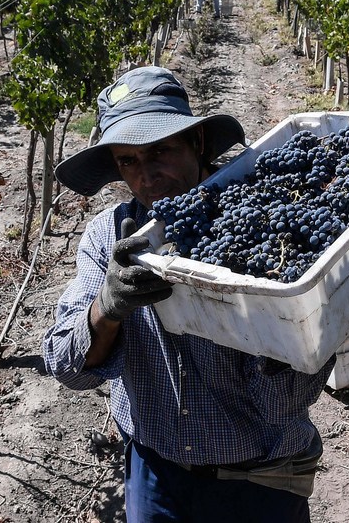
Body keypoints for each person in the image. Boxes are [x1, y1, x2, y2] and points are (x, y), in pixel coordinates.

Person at [43, 66, 334, 523]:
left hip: (259, 480)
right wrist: (108, 306)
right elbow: (67, 367)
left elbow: (284, 403)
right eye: (128, 161)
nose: (147, 176)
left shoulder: (260, 228)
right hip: (156, 474)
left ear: (197, 143)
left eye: (161, 151)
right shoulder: (109, 238)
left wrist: (278, 324)